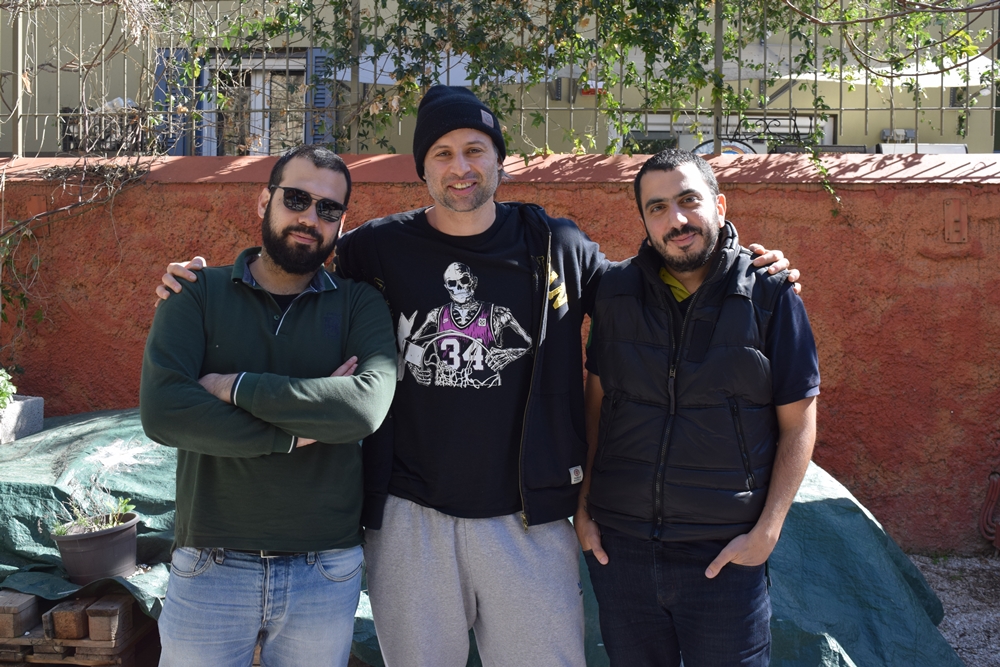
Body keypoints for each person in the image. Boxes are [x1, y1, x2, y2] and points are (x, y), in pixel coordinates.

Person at [155, 86, 799, 667]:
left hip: (528, 520)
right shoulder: (376, 249)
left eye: (474, 150)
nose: (459, 167)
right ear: (422, 168)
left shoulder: (555, 245)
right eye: (442, 153)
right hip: (409, 519)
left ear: (499, 161)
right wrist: (200, 282)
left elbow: (649, 285)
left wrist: (744, 262)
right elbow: (294, 262)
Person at [140, 145, 396, 667]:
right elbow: (164, 411)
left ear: (341, 223)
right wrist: (296, 430)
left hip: (324, 567)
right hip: (210, 563)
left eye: (329, 209)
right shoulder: (197, 292)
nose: (310, 218)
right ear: (264, 201)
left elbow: (363, 408)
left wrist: (235, 387)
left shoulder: (358, 303)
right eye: (296, 199)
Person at [574, 148, 820, 667]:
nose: (677, 220)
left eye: (689, 201)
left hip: (724, 556)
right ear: (644, 221)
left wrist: (767, 532)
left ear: (720, 205)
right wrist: (584, 507)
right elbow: (596, 407)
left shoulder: (771, 293)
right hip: (621, 551)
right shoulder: (614, 293)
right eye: (658, 208)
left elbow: (799, 423)